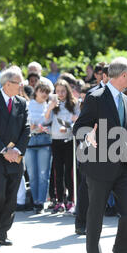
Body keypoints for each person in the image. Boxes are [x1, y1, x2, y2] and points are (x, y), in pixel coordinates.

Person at [72, 57, 127, 253]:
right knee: (95, 217)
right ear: (123, 75)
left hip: (122, 167)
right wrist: (88, 134)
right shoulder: (95, 96)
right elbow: (79, 126)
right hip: (98, 166)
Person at [0, 66, 30, 246]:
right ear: (8, 84)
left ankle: (2, 232)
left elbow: (26, 129)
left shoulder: (22, 103)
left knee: (11, 196)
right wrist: (4, 150)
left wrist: (17, 150)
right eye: (19, 82)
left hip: (16, 156)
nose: (22, 85)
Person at [46, 79, 80, 214]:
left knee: (69, 172)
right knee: (57, 172)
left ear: (67, 91)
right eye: (58, 91)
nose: (60, 93)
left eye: (63, 91)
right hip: (56, 140)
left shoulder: (74, 103)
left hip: (69, 139)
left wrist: (69, 127)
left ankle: (71, 200)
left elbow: (77, 120)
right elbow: (46, 120)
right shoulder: (53, 104)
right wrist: (49, 107)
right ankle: (59, 200)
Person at [24, 82, 52, 214]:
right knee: (32, 175)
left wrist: (40, 127)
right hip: (30, 141)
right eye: (42, 91)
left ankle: (40, 202)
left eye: (47, 92)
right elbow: (27, 123)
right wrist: (34, 127)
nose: (44, 94)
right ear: (36, 91)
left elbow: (48, 124)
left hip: (44, 142)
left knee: (43, 174)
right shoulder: (28, 105)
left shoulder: (49, 106)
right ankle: (35, 201)